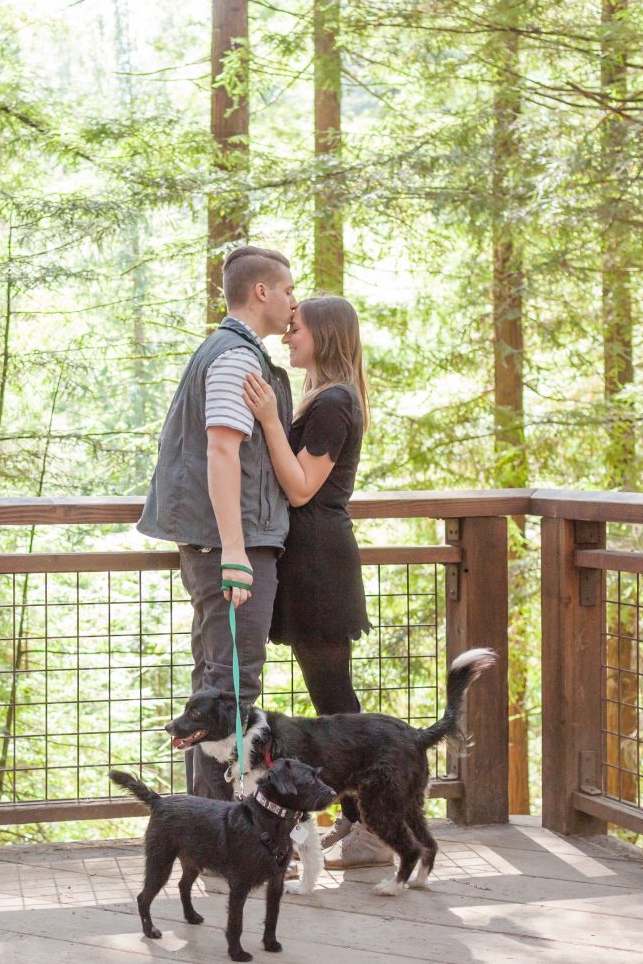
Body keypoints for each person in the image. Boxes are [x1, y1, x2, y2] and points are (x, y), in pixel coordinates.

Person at [138, 245, 297, 801]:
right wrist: (235, 550)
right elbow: (223, 452)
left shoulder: (229, 351)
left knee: (217, 684)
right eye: (287, 290)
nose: (292, 301)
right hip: (232, 548)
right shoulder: (236, 358)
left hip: (226, 544)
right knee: (230, 691)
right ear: (261, 293)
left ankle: (209, 829)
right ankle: (217, 834)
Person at [241, 294, 394, 867]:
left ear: (324, 336)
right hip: (310, 557)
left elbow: (303, 486)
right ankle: (362, 821)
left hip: (320, 562)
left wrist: (267, 421)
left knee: (336, 701)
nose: (287, 336)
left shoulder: (333, 402)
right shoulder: (325, 397)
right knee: (332, 701)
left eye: (297, 329)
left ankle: (376, 826)